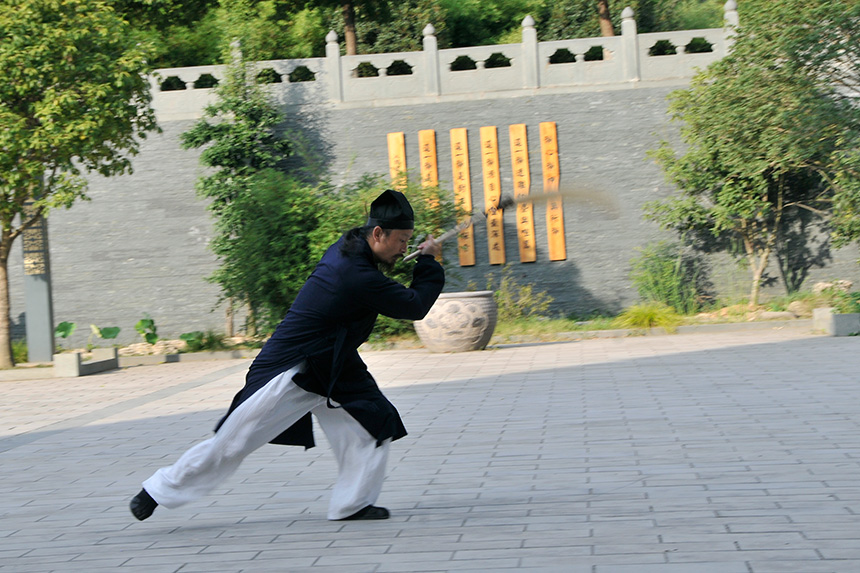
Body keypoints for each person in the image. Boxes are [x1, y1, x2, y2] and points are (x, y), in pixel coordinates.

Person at [130, 189, 444, 522]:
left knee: (372, 422)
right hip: (295, 364)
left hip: (335, 362)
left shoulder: (350, 249)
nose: (404, 249)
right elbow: (413, 305)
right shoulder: (353, 274)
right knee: (234, 441)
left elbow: (382, 286)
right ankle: (158, 489)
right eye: (402, 240)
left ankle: (353, 503)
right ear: (378, 233)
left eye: (410, 242)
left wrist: (417, 260)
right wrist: (428, 263)